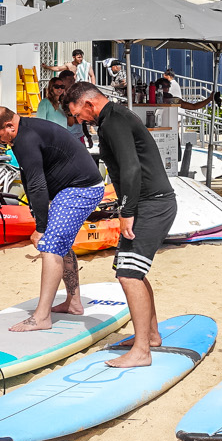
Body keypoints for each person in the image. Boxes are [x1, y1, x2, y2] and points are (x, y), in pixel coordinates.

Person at [67, 82, 175, 368]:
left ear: (89, 104)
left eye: (78, 114)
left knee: (129, 274)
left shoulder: (114, 120)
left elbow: (130, 167)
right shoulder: (113, 118)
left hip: (152, 204)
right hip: (147, 202)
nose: (79, 121)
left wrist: (127, 210)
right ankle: (150, 336)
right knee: (131, 270)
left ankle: (142, 351)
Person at [0, 106, 104, 330]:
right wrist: (37, 213)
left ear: (9, 126)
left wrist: (40, 227)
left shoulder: (25, 138)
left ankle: (41, 317)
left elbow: (38, 184)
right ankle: (73, 303)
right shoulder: (22, 133)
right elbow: (29, 177)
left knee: (50, 245)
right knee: (60, 243)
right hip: (69, 189)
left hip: (81, 188)